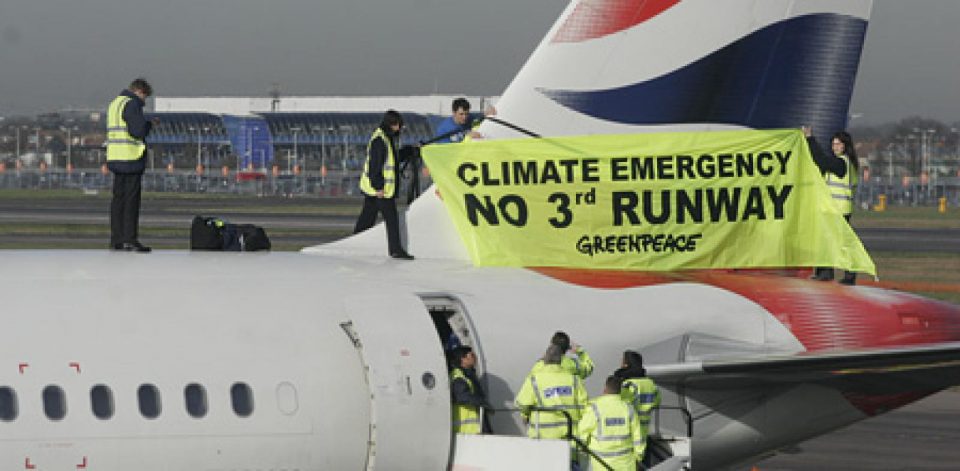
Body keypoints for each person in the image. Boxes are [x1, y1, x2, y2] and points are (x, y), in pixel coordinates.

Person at [354, 110, 414, 260]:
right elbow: (375, 166)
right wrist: (378, 186)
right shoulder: (380, 141)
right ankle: (395, 250)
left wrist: (410, 151)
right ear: (390, 124)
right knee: (391, 220)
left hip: (376, 190)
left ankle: (354, 243)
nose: (399, 129)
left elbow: (393, 159)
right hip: (380, 190)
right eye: (397, 125)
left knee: (367, 219)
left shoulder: (386, 138)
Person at [804, 127, 859, 285]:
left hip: (838, 209)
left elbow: (821, 160)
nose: (834, 147)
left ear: (845, 146)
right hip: (834, 209)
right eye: (833, 144)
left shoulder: (841, 163)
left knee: (840, 243)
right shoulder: (845, 163)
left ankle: (846, 274)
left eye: (838, 144)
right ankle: (826, 272)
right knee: (826, 241)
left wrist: (810, 139)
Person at [106, 77, 155, 252]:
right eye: (144, 97)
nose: (144, 101)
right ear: (140, 92)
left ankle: (116, 238)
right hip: (131, 158)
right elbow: (137, 131)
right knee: (131, 201)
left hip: (115, 157)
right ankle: (130, 238)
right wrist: (148, 125)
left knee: (118, 200)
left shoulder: (115, 104)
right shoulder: (132, 104)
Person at [515, 344, 589, 440]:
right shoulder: (574, 380)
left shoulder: (534, 380)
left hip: (543, 438)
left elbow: (523, 404)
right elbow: (585, 407)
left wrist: (525, 415)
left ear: (544, 359)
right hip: (571, 437)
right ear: (561, 360)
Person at [578, 375, 646, 471]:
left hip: (601, 465)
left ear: (605, 388)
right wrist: (638, 458)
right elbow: (638, 437)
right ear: (620, 391)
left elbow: (582, 434)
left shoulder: (594, 408)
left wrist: (582, 452)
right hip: (626, 465)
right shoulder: (629, 408)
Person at [614, 350, 660, 437]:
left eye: (622, 361)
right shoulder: (650, 383)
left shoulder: (627, 384)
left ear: (626, 364)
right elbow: (657, 402)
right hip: (644, 427)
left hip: (628, 428)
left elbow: (621, 405)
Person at [449, 345, 493, 434]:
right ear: (463, 359)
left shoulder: (469, 375)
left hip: (475, 428)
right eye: (472, 355)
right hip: (466, 430)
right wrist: (482, 402)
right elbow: (462, 396)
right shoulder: (457, 376)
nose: (475, 357)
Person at [529, 331, 594, 380]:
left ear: (551, 344)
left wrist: (546, 356)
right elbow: (589, 368)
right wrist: (580, 352)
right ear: (567, 348)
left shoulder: (538, 365)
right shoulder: (573, 365)